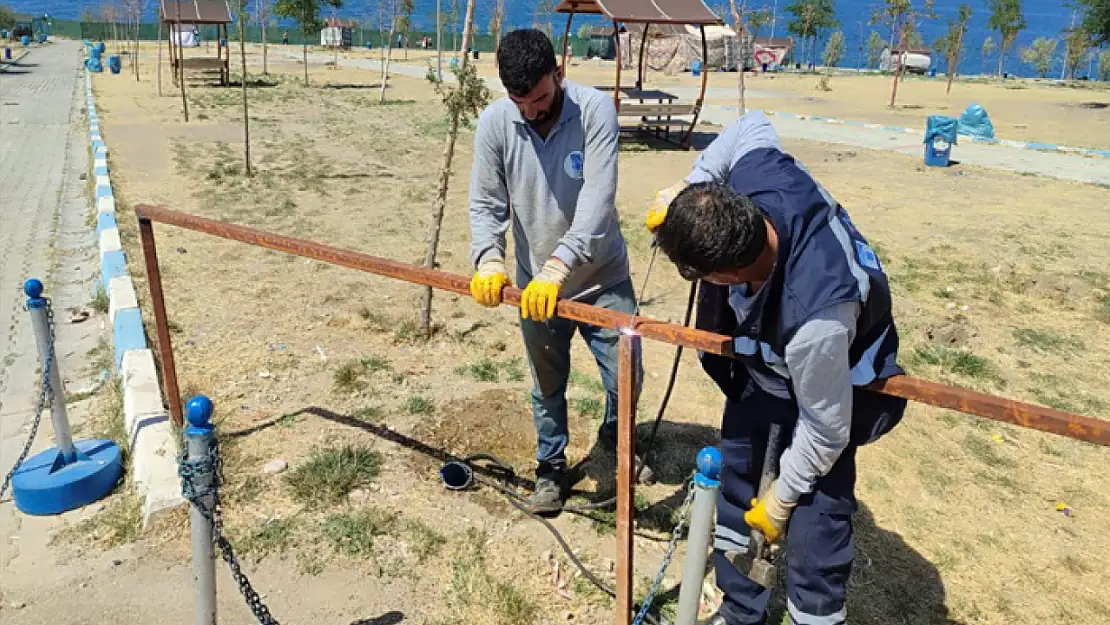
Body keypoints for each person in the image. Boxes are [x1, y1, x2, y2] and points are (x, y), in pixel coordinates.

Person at [645, 112, 907, 625]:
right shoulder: (758, 173)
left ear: (727, 273)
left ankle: (815, 615)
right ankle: (740, 611)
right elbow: (749, 124)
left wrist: (781, 500)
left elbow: (826, 429)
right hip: (763, 369)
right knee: (737, 490)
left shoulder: (817, 319)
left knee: (816, 526)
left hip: (828, 386)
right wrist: (691, 185)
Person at [467, 28, 647, 513]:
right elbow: (486, 203)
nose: (530, 110)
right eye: (519, 101)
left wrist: (559, 266)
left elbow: (596, 200)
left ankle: (617, 440)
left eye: (540, 97)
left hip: (602, 279)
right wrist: (488, 259)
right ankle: (550, 468)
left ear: (559, 73)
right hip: (535, 290)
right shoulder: (496, 124)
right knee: (547, 384)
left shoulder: (594, 112)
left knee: (627, 377)